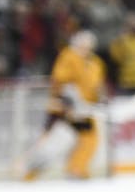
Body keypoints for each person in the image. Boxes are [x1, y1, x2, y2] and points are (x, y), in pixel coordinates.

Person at [24, 29, 107, 180]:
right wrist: (71, 102)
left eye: (88, 46)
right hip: (63, 109)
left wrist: (99, 98)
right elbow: (60, 81)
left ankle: (77, 169)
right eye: (82, 45)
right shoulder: (69, 57)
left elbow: (97, 87)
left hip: (84, 112)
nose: (85, 49)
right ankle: (30, 171)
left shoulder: (96, 63)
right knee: (53, 144)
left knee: (90, 139)